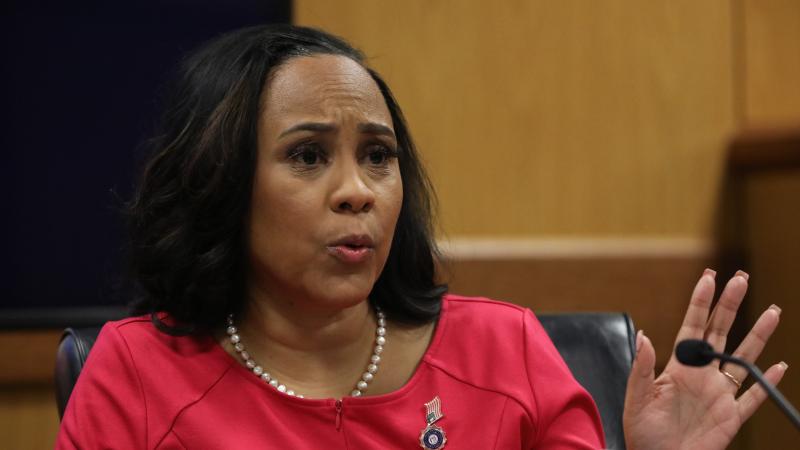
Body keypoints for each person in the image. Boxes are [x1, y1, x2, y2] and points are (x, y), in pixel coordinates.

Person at [55, 24, 787, 449]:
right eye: (308, 156)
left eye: (378, 156)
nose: (358, 190)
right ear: (222, 181)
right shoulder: (135, 378)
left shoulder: (508, 354)